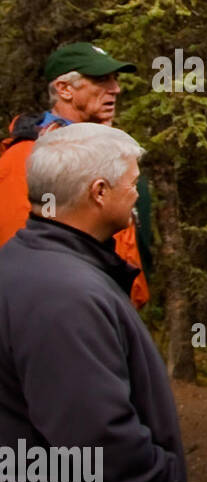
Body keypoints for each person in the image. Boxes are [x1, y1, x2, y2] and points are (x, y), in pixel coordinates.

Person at [0, 124, 186, 482]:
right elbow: (97, 442)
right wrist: (163, 481)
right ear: (99, 193)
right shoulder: (65, 294)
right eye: (133, 181)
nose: (138, 192)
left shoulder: (29, 263)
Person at [0, 42, 150, 307]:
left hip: (109, 307)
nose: (115, 89)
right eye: (101, 79)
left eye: (115, 79)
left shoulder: (111, 152)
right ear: (64, 89)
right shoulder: (28, 157)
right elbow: (17, 253)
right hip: (59, 314)